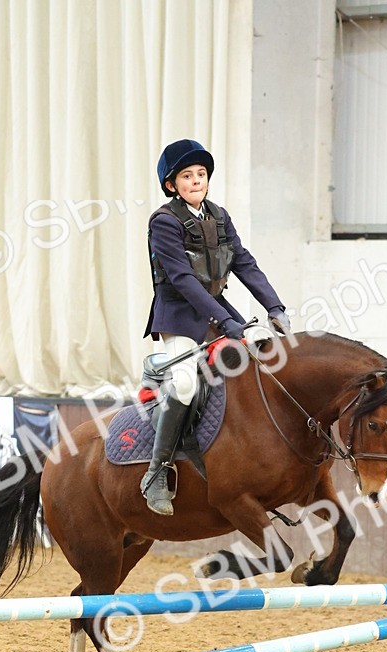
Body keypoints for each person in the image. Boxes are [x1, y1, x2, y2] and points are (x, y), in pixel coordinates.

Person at [140, 138, 290, 515]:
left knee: (259, 362)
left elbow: (244, 263)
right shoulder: (164, 221)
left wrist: (274, 306)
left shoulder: (219, 216)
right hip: (178, 315)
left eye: (201, 174)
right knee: (187, 384)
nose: (196, 181)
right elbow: (184, 280)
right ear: (172, 185)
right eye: (187, 176)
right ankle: (157, 471)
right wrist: (227, 322)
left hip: (217, 308)